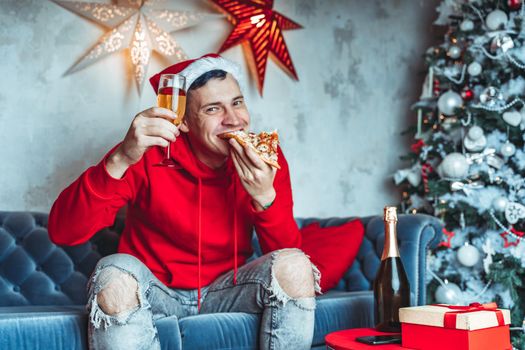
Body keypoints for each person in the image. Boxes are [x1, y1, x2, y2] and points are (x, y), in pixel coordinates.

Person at [48, 54, 320, 350]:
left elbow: (285, 258)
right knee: (113, 271)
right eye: (213, 109)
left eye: (238, 102)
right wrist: (120, 158)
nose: (234, 119)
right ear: (184, 121)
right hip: (155, 292)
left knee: (295, 264)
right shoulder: (145, 153)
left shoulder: (264, 160)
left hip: (229, 290)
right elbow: (64, 231)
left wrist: (265, 198)